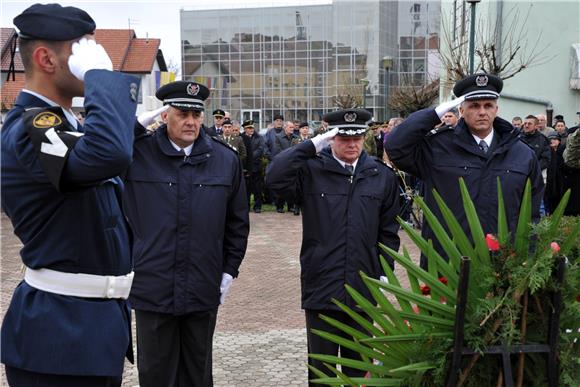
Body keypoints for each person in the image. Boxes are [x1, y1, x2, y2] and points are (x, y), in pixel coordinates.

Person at [1, 4, 138, 386]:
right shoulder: (31, 127)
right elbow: (110, 153)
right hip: (58, 338)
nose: (93, 56)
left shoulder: (64, 126)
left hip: (89, 332)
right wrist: (100, 76)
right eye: (81, 49)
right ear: (46, 59)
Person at [123, 81, 250, 387]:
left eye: (197, 114)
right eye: (182, 113)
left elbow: (237, 223)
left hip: (202, 285)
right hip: (153, 285)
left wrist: (229, 270)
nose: (191, 121)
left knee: (198, 373)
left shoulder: (224, 159)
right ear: (165, 115)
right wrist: (136, 124)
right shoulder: (137, 154)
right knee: (155, 375)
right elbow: (100, 147)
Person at [266, 108, 400, 383]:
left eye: (357, 138)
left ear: (365, 138)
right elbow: (274, 177)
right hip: (322, 285)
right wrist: (311, 145)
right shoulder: (312, 170)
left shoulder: (379, 175)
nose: (351, 144)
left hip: (363, 288)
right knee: (322, 370)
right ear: (331, 139)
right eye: (343, 138)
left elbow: (389, 230)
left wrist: (383, 270)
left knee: (359, 369)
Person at [385, 73, 544, 269]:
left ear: (497, 109)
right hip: (448, 262)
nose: (482, 112)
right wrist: (433, 114)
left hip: (502, 265)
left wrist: (528, 257)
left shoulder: (522, 154)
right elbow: (396, 146)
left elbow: (532, 214)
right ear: (461, 109)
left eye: (488, 105)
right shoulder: (438, 147)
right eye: (474, 106)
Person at [241, 119, 268, 212]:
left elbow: (261, 149)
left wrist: (250, 156)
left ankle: (257, 206)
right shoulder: (241, 137)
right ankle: (246, 206)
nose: (251, 129)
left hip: (256, 165)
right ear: (245, 129)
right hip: (245, 167)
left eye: (252, 127)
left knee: (257, 188)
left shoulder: (259, 137)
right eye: (249, 128)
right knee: (246, 188)